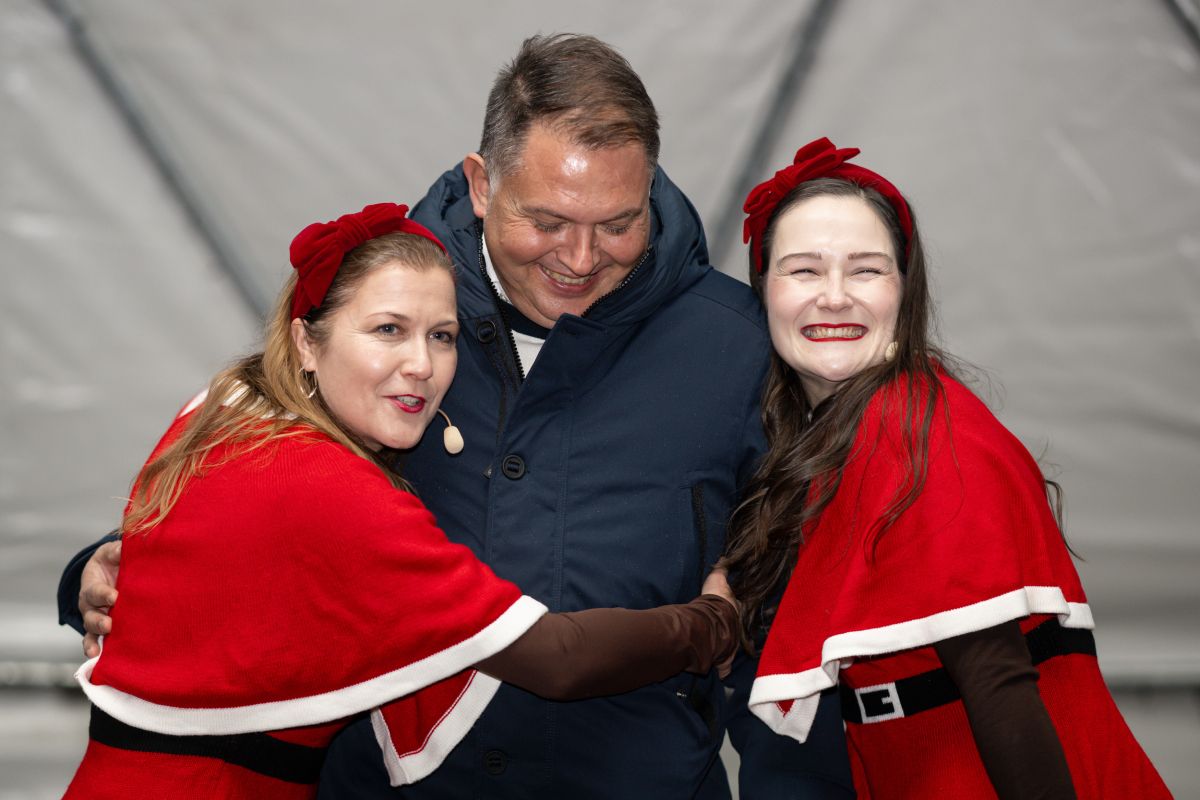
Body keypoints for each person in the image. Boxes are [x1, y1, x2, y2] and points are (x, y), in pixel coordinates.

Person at [58, 34, 854, 799]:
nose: (580, 258)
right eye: (546, 222)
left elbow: (793, 625)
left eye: (617, 224)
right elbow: (252, 501)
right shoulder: (385, 329)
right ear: (481, 184)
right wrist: (97, 573)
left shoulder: (738, 347)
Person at [63, 202, 742, 799]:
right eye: (388, 329)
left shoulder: (225, 406)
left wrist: (89, 569)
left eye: (441, 336)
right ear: (306, 340)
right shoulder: (327, 486)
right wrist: (710, 624)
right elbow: (558, 658)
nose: (421, 364)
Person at [722, 137, 1173, 798]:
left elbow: (998, 683)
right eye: (805, 270)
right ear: (764, 288)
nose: (835, 297)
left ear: (905, 290)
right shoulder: (840, 433)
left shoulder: (920, 436)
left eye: (866, 270)